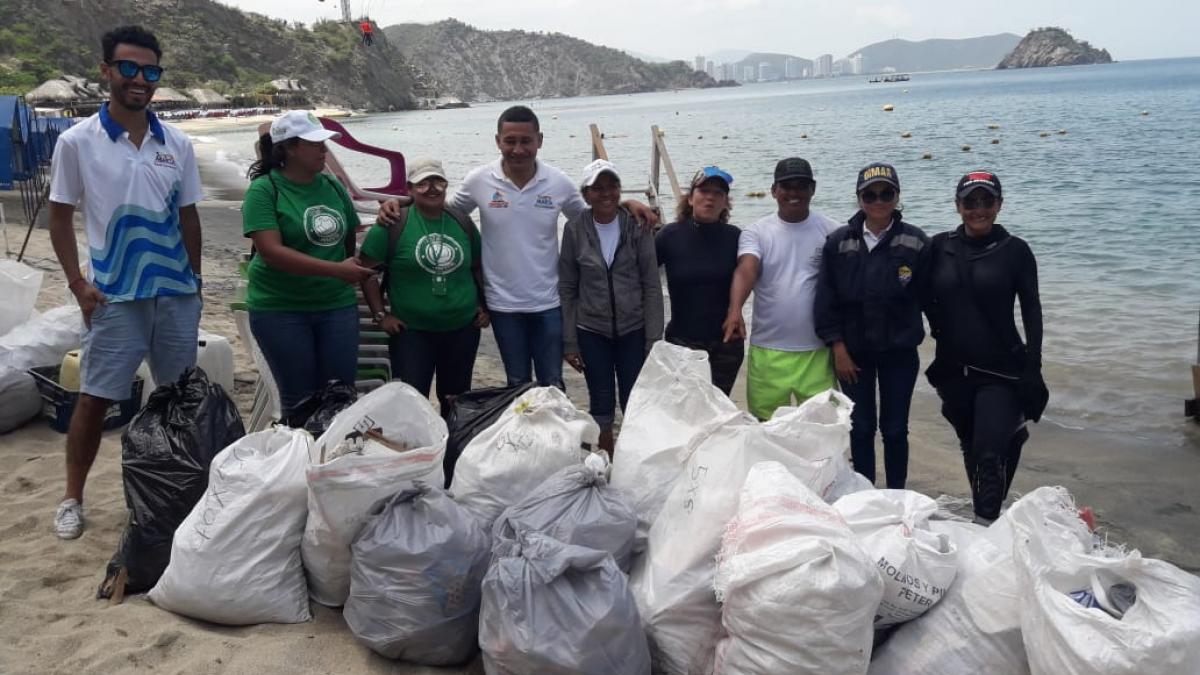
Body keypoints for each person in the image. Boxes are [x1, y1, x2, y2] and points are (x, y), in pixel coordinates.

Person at [47, 26, 204, 539]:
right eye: (130, 68)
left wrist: (196, 283)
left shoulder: (176, 142)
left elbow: (189, 218)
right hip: (114, 295)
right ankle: (72, 497)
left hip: (175, 294)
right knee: (95, 397)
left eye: (151, 71)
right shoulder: (76, 142)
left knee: (181, 397)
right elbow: (60, 216)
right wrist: (77, 284)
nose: (141, 80)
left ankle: (184, 490)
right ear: (107, 71)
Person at [377, 105, 657, 388]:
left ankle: (553, 433)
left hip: (548, 302)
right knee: (517, 382)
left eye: (526, 141)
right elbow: (441, 208)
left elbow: (590, 215)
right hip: (502, 305)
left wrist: (624, 203)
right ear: (498, 141)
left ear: (540, 140)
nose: (518, 149)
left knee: (552, 382)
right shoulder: (479, 180)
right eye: (510, 141)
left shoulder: (558, 182)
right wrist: (401, 202)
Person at [923, 171, 1043, 524]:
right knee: (973, 449)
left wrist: (1034, 365)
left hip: (1002, 369)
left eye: (986, 201)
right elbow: (915, 293)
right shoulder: (938, 247)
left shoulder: (1016, 251)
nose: (979, 209)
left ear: (999, 204)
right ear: (957, 206)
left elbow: (1032, 310)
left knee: (989, 457)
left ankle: (983, 527)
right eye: (970, 202)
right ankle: (988, 519)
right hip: (953, 371)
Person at [242, 110, 374, 419]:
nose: (323, 150)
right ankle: (300, 464)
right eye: (314, 144)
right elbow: (271, 251)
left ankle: (331, 464)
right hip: (280, 309)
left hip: (335, 307)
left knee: (339, 396)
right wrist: (335, 270)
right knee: (299, 401)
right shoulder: (264, 190)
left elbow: (348, 240)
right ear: (287, 148)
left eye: (324, 143)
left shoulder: (332, 187)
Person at [815, 163, 930, 488]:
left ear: (897, 196)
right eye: (870, 194)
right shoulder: (838, 242)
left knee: (895, 429)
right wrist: (837, 347)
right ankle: (865, 494)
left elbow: (933, 299)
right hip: (853, 355)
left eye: (886, 193)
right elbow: (826, 300)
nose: (878, 201)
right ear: (859, 199)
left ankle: (897, 495)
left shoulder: (917, 242)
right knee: (861, 427)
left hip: (900, 353)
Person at [358, 158, 489, 414]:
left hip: (462, 329)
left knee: (456, 400)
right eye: (423, 183)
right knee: (411, 401)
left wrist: (485, 306)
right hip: (412, 332)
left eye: (438, 182)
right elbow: (366, 272)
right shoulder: (392, 223)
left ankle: (451, 450)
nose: (432, 188)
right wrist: (380, 315)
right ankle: (416, 451)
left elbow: (477, 267)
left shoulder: (462, 221)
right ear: (409, 188)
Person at [559, 159, 664, 453]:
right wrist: (569, 341)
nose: (606, 193)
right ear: (585, 194)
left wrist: (654, 337)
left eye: (612, 186)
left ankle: (633, 462)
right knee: (601, 402)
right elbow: (567, 287)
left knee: (635, 399)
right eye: (597, 188)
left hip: (634, 329)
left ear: (620, 189)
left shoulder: (637, 225)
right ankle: (605, 459)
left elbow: (651, 284)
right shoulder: (575, 229)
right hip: (592, 330)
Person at [723, 157, 839, 420]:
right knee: (766, 429)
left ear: (813, 189)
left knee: (823, 430)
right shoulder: (757, 232)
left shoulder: (833, 231)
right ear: (774, 191)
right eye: (786, 186)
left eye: (801, 186)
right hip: (768, 350)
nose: (794, 193)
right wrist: (735, 310)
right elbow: (747, 269)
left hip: (817, 351)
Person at [655, 166, 743, 395]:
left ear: (726, 202)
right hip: (682, 342)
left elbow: (756, 278)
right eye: (704, 191)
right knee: (684, 413)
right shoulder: (668, 236)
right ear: (691, 198)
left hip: (726, 343)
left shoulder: (736, 238)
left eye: (718, 193)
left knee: (718, 413)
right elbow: (636, 275)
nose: (710, 198)